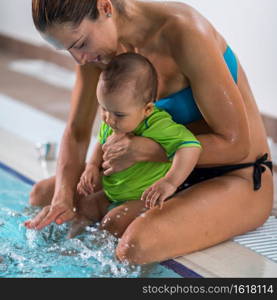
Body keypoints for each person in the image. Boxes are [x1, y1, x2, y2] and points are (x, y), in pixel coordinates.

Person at [25, 0, 273, 265]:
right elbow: (77, 131)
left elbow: (237, 145)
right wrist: (62, 198)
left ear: (105, 7)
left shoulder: (184, 32)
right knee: (43, 197)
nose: (79, 59)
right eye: (68, 50)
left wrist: (147, 151)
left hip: (235, 176)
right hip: (154, 174)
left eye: (79, 44)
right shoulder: (97, 51)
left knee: (134, 246)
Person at [63, 52, 201, 237]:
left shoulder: (158, 125)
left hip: (143, 198)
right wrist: (91, 167)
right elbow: (101, 143)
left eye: (118, 114)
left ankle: (97, 252)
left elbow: (190, 146)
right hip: (114, 194)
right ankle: (71, 245)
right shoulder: (113, 120)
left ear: (147, 109)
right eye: (104, 109)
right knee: (84, 206)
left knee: (113, 222)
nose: (109, 119)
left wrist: (170, 182)